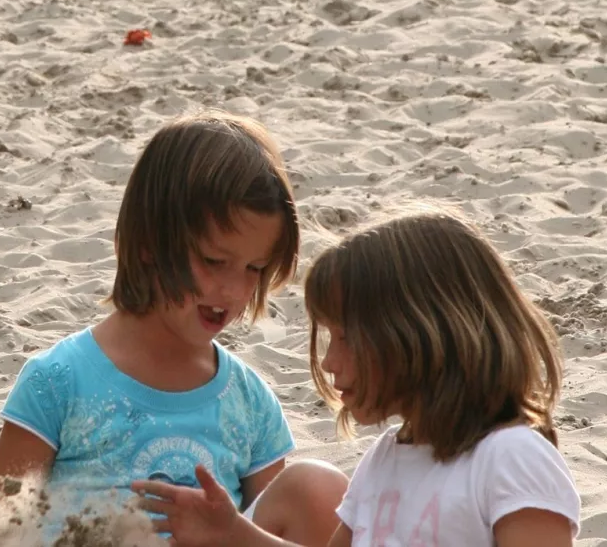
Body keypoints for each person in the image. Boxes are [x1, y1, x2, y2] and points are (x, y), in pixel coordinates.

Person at [0, 111, 348, 547]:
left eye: (254, 269)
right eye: (213, 261)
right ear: (149, 244)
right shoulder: (58, 382)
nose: (232, 288)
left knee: (317, 488)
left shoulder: (248, 402)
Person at [136, 210, 582, 547]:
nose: (329, 362)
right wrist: (233, 531)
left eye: (345, 337)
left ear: (422, 334)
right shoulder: (383, 461)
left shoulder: (511, 458)